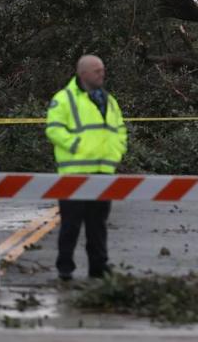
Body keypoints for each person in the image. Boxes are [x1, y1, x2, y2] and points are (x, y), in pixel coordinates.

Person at [45, 55, 127, 280]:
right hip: (74, 173)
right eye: (97, 70)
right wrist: (76, 146)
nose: (102, 74)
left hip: (103, 172)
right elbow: (53, 129)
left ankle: (98, 267)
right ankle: (65, 267)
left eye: (103, 69)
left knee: (97, 225)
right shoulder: (64, 99)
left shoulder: (109, 101)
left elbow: (119, 129)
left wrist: (117, 152)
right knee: (70, 224)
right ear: (83, 74)